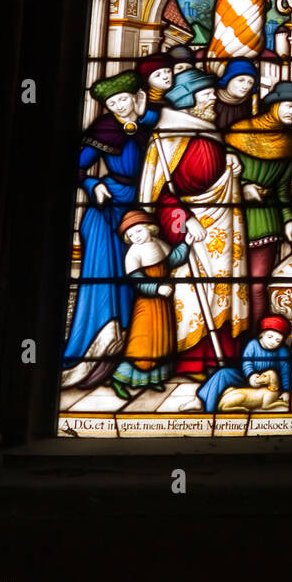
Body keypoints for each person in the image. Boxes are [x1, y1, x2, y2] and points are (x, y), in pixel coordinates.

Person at [139, 68, 248, 376]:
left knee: (223, 290)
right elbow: (162, 191)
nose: (215, 97)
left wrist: (228, 160)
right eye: (207, 92)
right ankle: (192, 361)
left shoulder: (207, 130)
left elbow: (210, 166)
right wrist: (184, 219)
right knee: (194, 293)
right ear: (189, 98)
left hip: (222, 226)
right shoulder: (170, 135)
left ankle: (220, 360)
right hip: (194, 227)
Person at [62, 72, 158, 389]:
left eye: (122, 98)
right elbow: (76, 166)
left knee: (139, 283)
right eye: (111, 102)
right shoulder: (103, 129)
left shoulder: (154, 121)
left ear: (136, 97)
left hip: (142, 208)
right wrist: (92, 183)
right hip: (106, 213)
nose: (117, 105)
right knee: (107, 283)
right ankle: (97, 358)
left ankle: (132, 359)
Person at [226, 80, 292, 332]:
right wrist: (240, 187)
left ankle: (255, 337)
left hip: (266, 219)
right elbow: (216, 171)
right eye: (289, 105)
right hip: (232, 215)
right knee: (228, 282)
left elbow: (284, 189)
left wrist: (289, 220)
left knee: (256, 285)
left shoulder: (291, 143)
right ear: (274, 104)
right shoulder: (239, 131)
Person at [110, 211, 189, 401]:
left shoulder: (159, 243)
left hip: (163, 303)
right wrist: (156, 289)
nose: (135, 236)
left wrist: (187, 244)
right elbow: (137, 281)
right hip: (147, 302)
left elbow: (172, 260)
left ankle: (153, 379)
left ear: (149, 228)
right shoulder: (133, 254)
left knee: (161, 339)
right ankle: (119, 380)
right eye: (131, 235)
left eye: (138, 230)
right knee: (142, 342)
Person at [196, 315, 292, 413]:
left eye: (278, 340)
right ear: (262, 335)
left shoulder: (282, 351)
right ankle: (207, 407)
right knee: (223, 374)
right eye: (270, 337)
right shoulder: (253, 345)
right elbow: (247, 362)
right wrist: (250, 375)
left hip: (268, 386)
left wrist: (286, 391)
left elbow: (285, 372)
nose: (273, 342)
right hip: (247, 377)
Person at [213, 59, 259, 132]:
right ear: (228, 79)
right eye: (241, 80)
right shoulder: (211, 98)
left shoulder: (253, 104)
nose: (245, 86)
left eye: (250, 82)